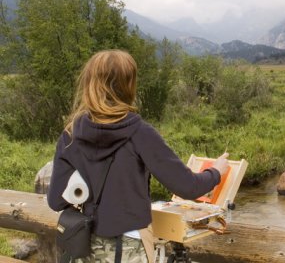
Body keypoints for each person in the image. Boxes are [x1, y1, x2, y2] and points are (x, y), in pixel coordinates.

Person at [47, 49, 229, 263]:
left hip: (84, 247)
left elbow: (56, 201)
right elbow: (188, 187)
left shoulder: (70, 134)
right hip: (130, 247)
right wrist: (216, 171)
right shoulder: (140, 133)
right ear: (128, 86)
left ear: (90, 83)